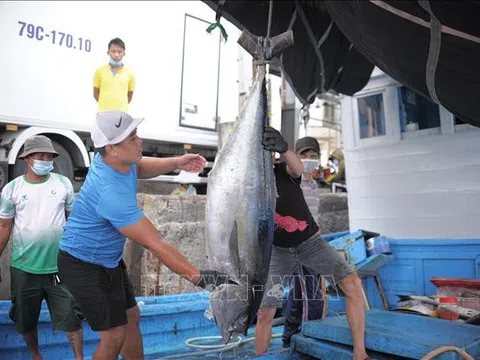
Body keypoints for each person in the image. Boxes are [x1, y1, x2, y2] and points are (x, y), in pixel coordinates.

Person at [58, 110, 229, 360]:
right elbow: (156, 245)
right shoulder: (110, 194)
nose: (139, 140)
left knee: (131, 317)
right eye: (132, 138)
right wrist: (200, 277)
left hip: (108, 260)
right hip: (82, 264)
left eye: (136, 133)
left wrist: (177, 162)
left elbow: (140, 166)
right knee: (114, 335)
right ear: (112, 148)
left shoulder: (112, 159)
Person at [256, 128, 370, 360]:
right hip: (278, 252)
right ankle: (260, 357)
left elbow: (297, 168)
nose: (264, 155)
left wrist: (285, 146)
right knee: (265, 311)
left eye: (268, 150)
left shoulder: (284, 171)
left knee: (352, 285)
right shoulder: (250, 183)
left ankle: (360, 353)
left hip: (310, 243)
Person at [0, 135, 84, 360]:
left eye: (49, 156)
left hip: (59, 270)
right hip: (24, 268)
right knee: (25, 318)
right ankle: (36, 355)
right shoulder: (12, 189)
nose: (46, 160)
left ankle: (79, 358)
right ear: (27, 158)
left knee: (71, 315)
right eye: (40, 156)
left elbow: (74, 223)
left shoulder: (63, 184)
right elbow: (4, 227)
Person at [281, 136, 325, 350]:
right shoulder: (294, 182)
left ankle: (289, 339)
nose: (308, 159)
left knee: (298, 295)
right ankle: (310, 340)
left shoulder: (313, 184)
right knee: (313, 297)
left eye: (313, 155)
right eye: (303, 155)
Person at [93, 37, 136, 113]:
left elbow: (129, 97)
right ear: (108, 52)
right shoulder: (99, 71)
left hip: (122, 114)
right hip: (103, 113)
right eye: (113, 51)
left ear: (123, 53)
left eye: (119, 52)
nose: (116, 54)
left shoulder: (130, 74)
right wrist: (105, 105)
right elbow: (96, 93)